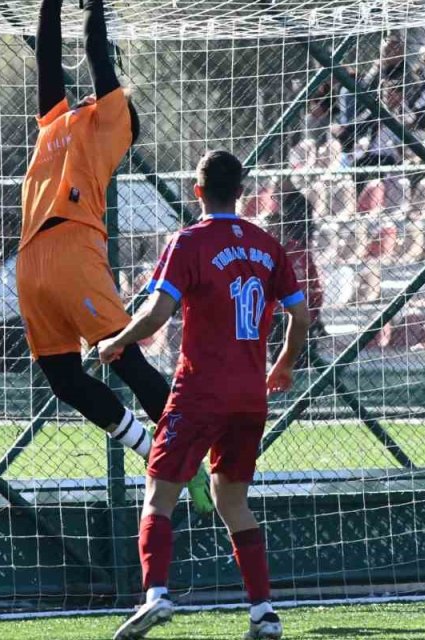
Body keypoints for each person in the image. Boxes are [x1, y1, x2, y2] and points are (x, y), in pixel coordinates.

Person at [100, 150, 311, 640]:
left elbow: (157, 313)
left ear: (198, 191)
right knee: (231, 499)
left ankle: (155, 595)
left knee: (159, 494)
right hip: (249, 395)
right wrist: (283, 363)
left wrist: (116, 343)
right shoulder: (267, 245)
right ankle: (263, 613)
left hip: (199, 392)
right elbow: (300, 316)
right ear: (241, 192)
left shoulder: (189, 241)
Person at [18, 0, 211, 511]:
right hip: (31, 257)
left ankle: (188, 457)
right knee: (63, 380)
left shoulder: (109, 122)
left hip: (73, 248)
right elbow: (48, 60)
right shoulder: (56, 123)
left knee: (125, 357)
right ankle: (154, 452)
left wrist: (96, 3)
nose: (86, 93)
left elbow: (96, 55)